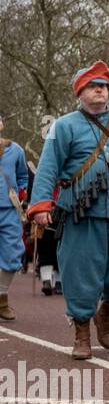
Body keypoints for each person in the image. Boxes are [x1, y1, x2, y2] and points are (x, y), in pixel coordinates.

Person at [27, 63, 109, 358]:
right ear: (80, 92)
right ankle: (82, 333)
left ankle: (107, 312)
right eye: (92, 85)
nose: (99, 89)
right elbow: (48, 168)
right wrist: (42, 204)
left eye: (104, 85)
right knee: (80, 275)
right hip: (80, 215)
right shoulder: (63, 126)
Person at [0, 112, 30, 321]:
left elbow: (23, 176)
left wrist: (22, 192)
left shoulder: (15, 149)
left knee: (13, 254)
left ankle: (2, 298)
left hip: (9, 209)